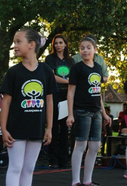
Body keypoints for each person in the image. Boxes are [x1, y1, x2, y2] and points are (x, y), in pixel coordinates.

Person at [0, 28, 57, 186]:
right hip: (16, 129)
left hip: (36, 128)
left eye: (19, 41)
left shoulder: (46, 71)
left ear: (32, 44)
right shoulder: (13, 72)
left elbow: (50, 101)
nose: (15, 45)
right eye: (14, 42)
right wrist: (3, 129)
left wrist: (49, 128)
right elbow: (6, 102)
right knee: (16, 167)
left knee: (29, 168)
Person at [66, 36, 111, 186]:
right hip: (81, 111)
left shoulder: (98, 68)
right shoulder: (76, 68)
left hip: (96, 112)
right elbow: (71, 92)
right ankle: (75, 181)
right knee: (80, 145)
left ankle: (87, 181)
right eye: (82, 48)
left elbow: (97, 93)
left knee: (94, 147)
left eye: (88, 47)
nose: (85, 50)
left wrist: (104, 113)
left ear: (95, 50)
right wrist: (70, 114)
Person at [45, 34, 74, 168]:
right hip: (55, 94)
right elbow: (52, 76)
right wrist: (68, 81)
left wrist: (71, 84)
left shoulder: (70, 61)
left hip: (67, 96)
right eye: (56, 43)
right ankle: (53, 160)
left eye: (60, 42)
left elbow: (75, 77)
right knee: (54, 127)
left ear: (65, 44)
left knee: (64, 129)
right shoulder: (50, 59)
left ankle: (64, 160)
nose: (58, 45)